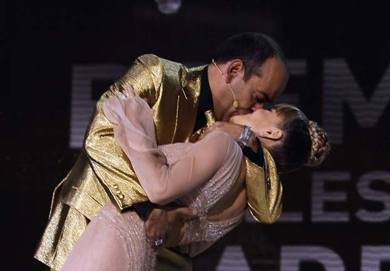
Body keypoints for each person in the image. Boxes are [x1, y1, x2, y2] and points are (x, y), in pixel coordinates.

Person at [35, 32, 289, 271]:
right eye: (258, 97)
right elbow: (102, 137)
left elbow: (266, 209)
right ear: (234, 70)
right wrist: (147, 209)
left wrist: (251, 141)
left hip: (165, 253)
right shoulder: (158, 75)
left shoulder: (237, 136)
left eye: (266, 105)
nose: (258, 109)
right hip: (98, 222)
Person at [59, 88, 329, 271]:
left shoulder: (225, 145)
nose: (257, 107)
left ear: (272, 132)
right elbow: (170, 236)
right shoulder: (240, 205)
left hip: (114, 237)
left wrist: (133, 122)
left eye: (267, 109)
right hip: (137, 253)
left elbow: (159, 187)